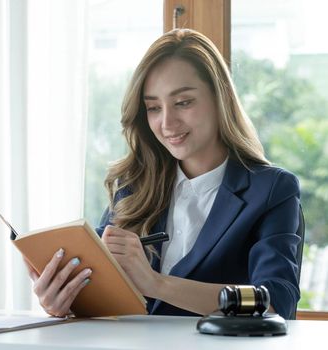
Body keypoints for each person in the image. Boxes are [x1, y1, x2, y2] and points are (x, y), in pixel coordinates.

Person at [24, 28, 301, 319]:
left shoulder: (271, 189)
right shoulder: (132, 187)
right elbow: (102, 297)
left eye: (183, 102)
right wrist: (62, 302)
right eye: (153, 107)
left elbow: (273, 301)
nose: (167, 123)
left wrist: (157, 284)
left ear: (220, 100)